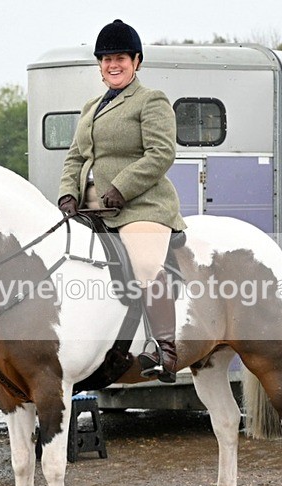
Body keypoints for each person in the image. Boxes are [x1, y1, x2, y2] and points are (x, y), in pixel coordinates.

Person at [57, 19, 186, 383]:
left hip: (141, 206)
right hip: (91, 208)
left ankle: (165, 352)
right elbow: (76, 157)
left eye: (121, 58)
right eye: (106, 59)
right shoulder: (90, 107)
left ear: (136, 61)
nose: (113, 64)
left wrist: (122, 187)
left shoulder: (150, 100)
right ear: (99, 65)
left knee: (145, 265)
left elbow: (161, 153)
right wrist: (67, 192)